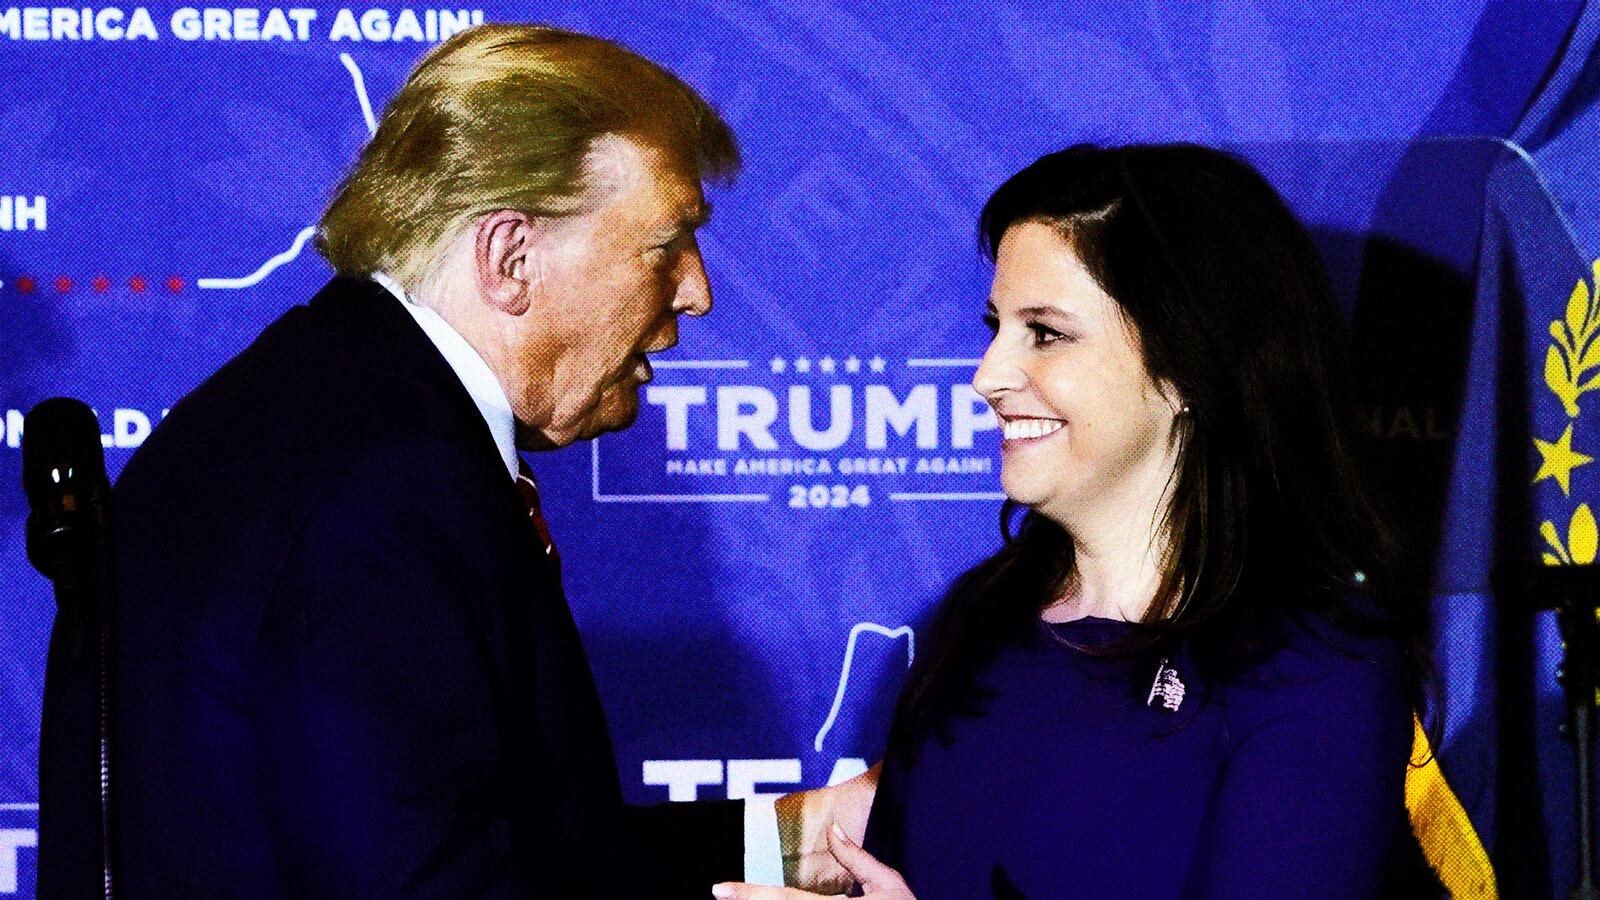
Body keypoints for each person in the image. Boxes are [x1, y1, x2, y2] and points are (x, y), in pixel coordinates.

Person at [90, 25, 865, 898]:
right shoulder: (380, 490)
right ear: (510, 257)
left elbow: (496, 848)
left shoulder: (325, 411)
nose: (697, 288)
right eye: (667, 241)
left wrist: (793, 841)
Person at [717, 143, 1424, 899]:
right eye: (996, 326)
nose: (988, 376)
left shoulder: (1307, 658)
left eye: (1045, 333)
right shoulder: (981, 620)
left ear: (1188, 365)